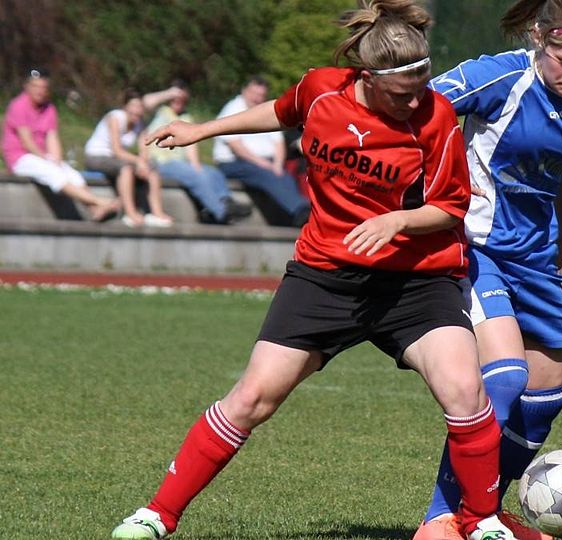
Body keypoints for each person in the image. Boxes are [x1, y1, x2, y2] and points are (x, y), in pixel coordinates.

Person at [109, 1, 517, 539]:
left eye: (420, 88)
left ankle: (482, 522)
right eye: (402, 94)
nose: (415, 101)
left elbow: (451, 206)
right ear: (367, 78)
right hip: (326, 276)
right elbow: (282, 112)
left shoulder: (434, 116)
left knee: (465, 391)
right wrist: (203, 129)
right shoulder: (321, 89)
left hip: (415, 281)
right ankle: (157, 515)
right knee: (252, 397)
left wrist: (398, 220)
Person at [416, 1, 562, 538]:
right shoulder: (498, 77)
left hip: (537, 258)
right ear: (538, 39)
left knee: (545, 398)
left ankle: (485, 510)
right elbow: (414, 110)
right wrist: (436, 186)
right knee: (506, 378)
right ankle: (440, 518)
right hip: (476, 248)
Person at [1, 68, 119, 221]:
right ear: (27, 87)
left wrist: (56, 159)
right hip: (20, 158)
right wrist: (46, 160)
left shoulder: (49, 108)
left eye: (44, 88)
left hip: (40, 156)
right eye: (36, 87)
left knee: (73, 175)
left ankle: (94, 209)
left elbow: (52, 137)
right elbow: (27, 142)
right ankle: (99, 201)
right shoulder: (18, 105)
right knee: (53, 173)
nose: (40, 91)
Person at [146, 86, 252, 225]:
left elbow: (191, 146)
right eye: (176, 98)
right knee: (196, 176)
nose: (179, 101)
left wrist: (196, 164)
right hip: (161, 162)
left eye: (182, 99)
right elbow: (146, 102)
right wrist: (169, 93)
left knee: (213, 173)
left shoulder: (186, 117)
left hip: (181, 163)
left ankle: (226, 202)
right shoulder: (160, 111)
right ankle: (221, 212)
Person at [213, 76, 310, 227]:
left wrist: (277, 164)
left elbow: (278, 143)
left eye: (261, 95)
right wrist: (263, 164)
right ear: (245, 91)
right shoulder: (233, 109)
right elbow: (236, 146)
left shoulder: (265, 111)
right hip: (235, 162)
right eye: (254, 94)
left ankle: (296, 214)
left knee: (286, 177)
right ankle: (301, 210)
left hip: (265, 163)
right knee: (266, 175)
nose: (257, 99)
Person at [84, 87, 180, 227]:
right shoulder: (115, 118)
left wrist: (143, 163)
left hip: (116, 159)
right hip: (96, 156)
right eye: (133, 105)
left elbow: (145, 147)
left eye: (140, 106)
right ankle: (130, 213)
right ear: (125, 106)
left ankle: (157, 212)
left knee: (152, 166)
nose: (137, 110)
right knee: (126, 168)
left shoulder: (140, 123)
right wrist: (138, 161)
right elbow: (117, 151)